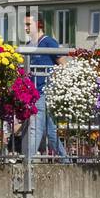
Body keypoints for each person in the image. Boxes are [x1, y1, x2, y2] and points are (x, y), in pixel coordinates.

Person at [22, 13, 69, 161]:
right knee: (50, 131)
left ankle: (27, 162)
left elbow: (63, 65)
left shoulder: (49, 42)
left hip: (44, 92)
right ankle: (65, 160)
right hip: (34, 93)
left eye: (29, 24)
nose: (25, 28)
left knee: (36, 128)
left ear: (39, 25)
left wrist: (57, 86)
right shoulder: (30, 45)